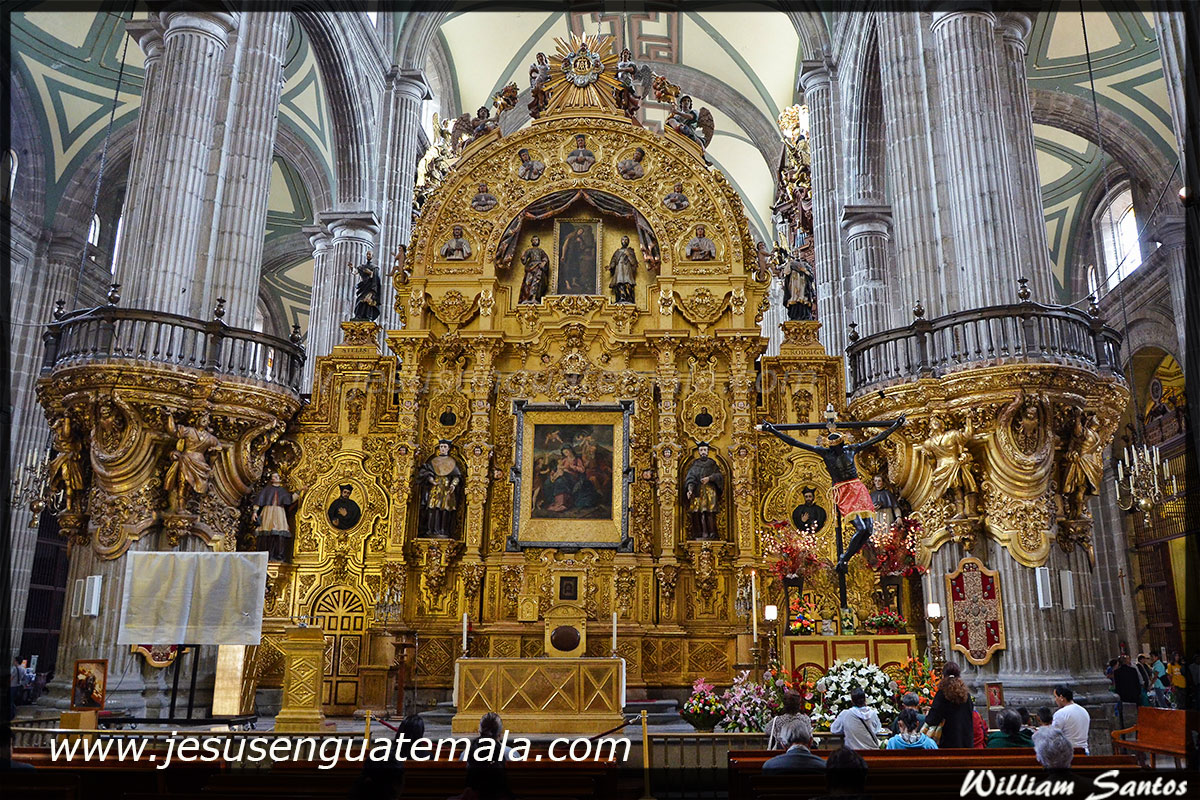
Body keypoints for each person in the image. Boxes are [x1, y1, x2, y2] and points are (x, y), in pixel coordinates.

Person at [759, 416, 906, 574]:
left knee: (869, 530)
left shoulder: (851, 449)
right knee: (861, 528)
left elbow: (876, 439)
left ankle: (846, 558)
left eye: (838, 446)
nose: (836, 449)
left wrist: (895, 426)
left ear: (842, 444)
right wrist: (773, 430)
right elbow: (795, 442)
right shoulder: (825, 453)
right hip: (844, 491)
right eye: (833, 447)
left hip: (858, 488)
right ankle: (844, 559)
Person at [252, 472, 303, 562]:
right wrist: (255, 512)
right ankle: (266, 554)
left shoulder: (282, 491)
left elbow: (290, 499)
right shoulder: (267, 490)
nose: (274, 478)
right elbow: (259, 501)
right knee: (267, 530)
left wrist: (300, 491)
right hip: (268, 511)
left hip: (279, 512)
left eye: (276, 477)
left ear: (279, 479)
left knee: (279, 531)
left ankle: (278, 555)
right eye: (273, 477)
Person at [922, 661, 974, 748]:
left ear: (943, 675)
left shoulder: (942, 694)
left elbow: (933, 719)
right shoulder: (966, 694)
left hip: (947, 742)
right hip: (965, 741)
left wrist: (927, 715)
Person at [683, 442, 724, 539]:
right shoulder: (695, 464)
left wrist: (710, 478)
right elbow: (690, 478)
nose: (703, 452)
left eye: (705, 450)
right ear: (699, 452)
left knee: (710, 513)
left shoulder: (712, 463)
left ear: (708, 451)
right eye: (701, 450)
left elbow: (719, 476)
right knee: (698, 513)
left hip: (710, 491)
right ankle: (700, 533)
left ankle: (712, 533)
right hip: (698, 492)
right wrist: (690, 489)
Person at [1050, 684, 1090, 754]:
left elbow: (1053, 735)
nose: (1055, 700)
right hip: (1084, 752)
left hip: (1068, 754)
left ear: (1061, 697)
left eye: (1056, 697)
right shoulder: (1084, 711)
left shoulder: (1061, 713)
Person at [607, 235, 639, 304]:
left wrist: (628, 255)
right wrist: (610, 267)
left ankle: (629, 298)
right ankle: (620, 298)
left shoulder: (630, 251)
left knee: (628, 283)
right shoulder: (617, 252)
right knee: (619, 283)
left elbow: (634, 263)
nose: (624, 241)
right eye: (623, 240)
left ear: (628, 242)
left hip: (627, 270)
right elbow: (614, 261)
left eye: (626, 240)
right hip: (619, 270)